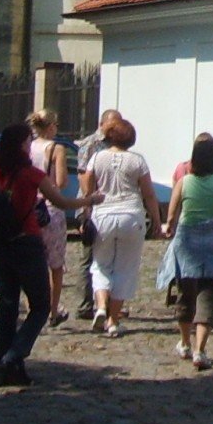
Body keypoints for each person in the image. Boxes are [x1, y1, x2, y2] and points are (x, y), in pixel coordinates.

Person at [0, 121, 101, 387]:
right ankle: (14, 355)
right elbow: (61, 201)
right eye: (27, 141)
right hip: (27, 243)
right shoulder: (31, 174)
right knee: (40, 306)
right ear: (21, 145)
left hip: (2, 245)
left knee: (7, 306)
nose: (30, 144)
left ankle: (5, 364)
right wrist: (89, 201)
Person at [163, 134, 213, 370]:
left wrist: (169, 227)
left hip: (187, 243)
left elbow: (172, 214)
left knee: (186, 293)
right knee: (208, 295)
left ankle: (185, 342)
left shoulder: (184, 182)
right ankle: (200, 349)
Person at [81, 116, 159, 337]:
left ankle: (102, 306)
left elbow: (88, 189)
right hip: (130, 215)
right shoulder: (137, 161)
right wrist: (155, 219)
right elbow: (149, 193)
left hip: (103, 214)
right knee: (126, 267)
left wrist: (86, 214)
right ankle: (114, 320)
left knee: (100, 264)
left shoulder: (97, 158)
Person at [73, 107, 121, 319]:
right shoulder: (92, 143)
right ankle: (85, 304)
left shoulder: (116, 143)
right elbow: (83, 176)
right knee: (89, 256)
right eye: (113, 125)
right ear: (103, 124)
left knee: (111, 257)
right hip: (91, 206)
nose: (116, 129)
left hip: (113, 207)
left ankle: (109, 302)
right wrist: (88, 207)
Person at [27, 111, 71, 327]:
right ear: (52, 126)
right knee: (55, 264)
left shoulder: (28, 147)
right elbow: (61, 182)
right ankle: (53, 311)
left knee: (33, 262)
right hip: (50, 208)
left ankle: (31, 307)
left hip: (29, 207)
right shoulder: (56, 148)